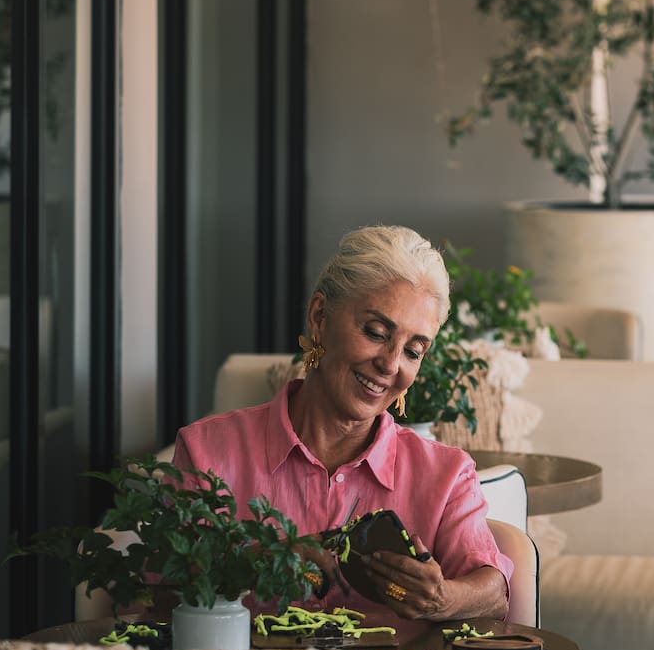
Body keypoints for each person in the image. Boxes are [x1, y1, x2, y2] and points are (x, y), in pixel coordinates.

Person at [172, 225, 511, 623]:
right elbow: (159, 591)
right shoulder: (206, 452)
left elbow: (495, 591)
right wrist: (265, 560)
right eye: (376, 332)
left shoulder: (446, 474)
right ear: (319, 317)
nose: (390, 364)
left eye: (413, 351)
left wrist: (443, 598)